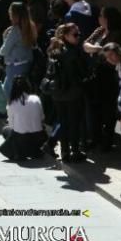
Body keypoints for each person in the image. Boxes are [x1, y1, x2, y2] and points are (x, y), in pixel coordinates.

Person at [46, 23, 89, 163]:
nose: (78, 37)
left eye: (78, 34)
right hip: (72, 92)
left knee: (63, 122)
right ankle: (75, 151)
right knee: (73, 122)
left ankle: (65, 152)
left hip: (57, 92)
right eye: (75, 34)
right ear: (65, 35)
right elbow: (81, 72)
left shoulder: (54, 49)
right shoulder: (72, 52)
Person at [0, 76, 45, 161]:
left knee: (6, 130)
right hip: (39, 137)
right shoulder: (36, 98)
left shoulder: (12, 103)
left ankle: (19, 152)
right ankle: (33, 150)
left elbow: (12, 126)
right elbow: (42, 117)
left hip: (22, 139)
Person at [0, 2, 36, 97]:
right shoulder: (30, 26)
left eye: (10, 14)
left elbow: (3, 51)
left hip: (14, 66)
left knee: (8, 93)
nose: (9, 17)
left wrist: (4, 37)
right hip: (26, 63)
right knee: (21, 92)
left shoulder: (15, 30)